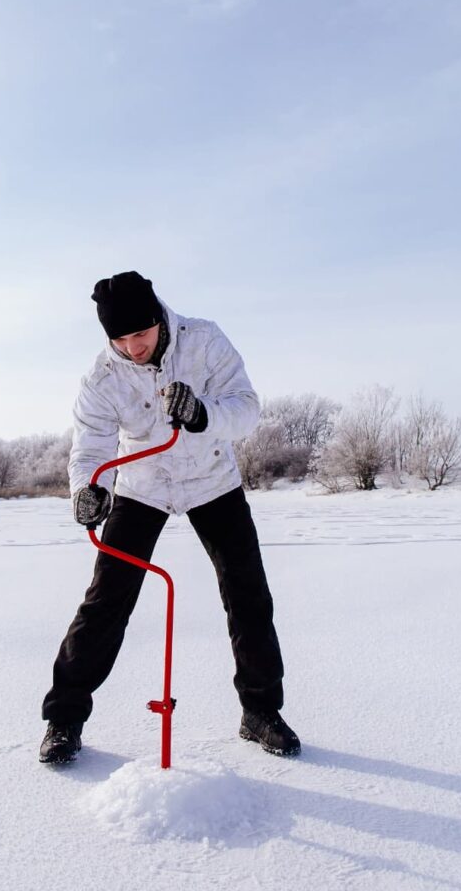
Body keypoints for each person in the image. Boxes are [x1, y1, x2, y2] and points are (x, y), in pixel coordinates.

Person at [39, 271, 300, 764]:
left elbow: (246, 409)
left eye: (140, 333)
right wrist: (88, 490)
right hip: (142, 487)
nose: (132, 347)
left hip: (212, 481)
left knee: (247, 595)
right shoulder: (101, 377)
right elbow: (91, 447)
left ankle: (261, 712)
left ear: (158, 317)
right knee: (105, 601)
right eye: (120, 339)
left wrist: (203, 413)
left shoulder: (204, 340)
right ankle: (64, 719)